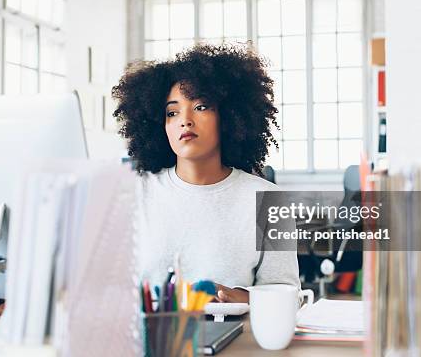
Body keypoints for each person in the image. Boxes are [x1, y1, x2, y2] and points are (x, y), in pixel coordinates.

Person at [112, 43, 300, 303]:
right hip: (153, 339)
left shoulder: (271, 201)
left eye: (200, 107)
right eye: (172, 112)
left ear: (229, 115)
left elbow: (287, 291)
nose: (185, 120)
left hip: (238, 340)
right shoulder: (134, 194)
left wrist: (239, 297)